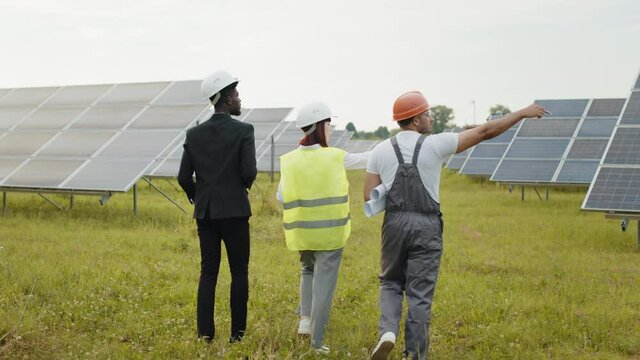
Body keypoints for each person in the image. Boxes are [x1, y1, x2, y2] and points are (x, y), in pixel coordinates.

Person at [364, 91, 545, 360]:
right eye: (427, 113)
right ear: (415, 120)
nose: (430, 117)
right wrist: (520, 113)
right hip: (426, 226)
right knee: (420, 293)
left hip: (394, 225)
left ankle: (388, 331)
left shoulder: (379, 150)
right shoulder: (437, 144)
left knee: (390, 281)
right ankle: (414, 355)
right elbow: (485, 131)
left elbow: (368, 196)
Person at [276, 102, 369, 355]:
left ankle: (305, 321)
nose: (331, 129)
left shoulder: (290, 159)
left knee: (307, 271)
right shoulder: (336, 156)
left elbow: (282, 196)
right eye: (329, 124)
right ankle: (316, 343)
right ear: (320, 126)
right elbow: (365, 158)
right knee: (324, 289)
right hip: (330, 234)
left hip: (302, 233)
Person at [178, 70, 256, 343]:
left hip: (206, 213)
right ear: (225, 98)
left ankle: (205, 335)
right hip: (235, 211)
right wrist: (237, 188)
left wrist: (199, 196)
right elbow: (249, 173)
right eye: (235, 94)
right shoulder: (244, 130)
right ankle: (237, 336)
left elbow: (183, 177)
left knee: (208, 272)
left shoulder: (194, 134)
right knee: (239, 271)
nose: (239, 98)